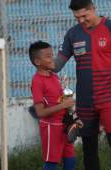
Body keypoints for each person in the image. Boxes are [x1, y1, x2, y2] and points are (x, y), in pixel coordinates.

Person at [53, 0, 111, 169]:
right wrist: (40, 60)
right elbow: (57, 64)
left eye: (84, 16)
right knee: (89, 148)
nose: (81, 20)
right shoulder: (72, 34)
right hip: (85, 102)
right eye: (77, 17)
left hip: (110, 99)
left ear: (93, 9)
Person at [29, 41, 81, 170]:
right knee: (52, 162)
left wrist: (73, 115)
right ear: (37, 61)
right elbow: (40, 112)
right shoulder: (37, 81)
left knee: (70, 159)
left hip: (64, 125)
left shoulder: (55, 77)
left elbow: (61, 100)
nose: (52, 58)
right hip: (51, 127)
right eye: (48, 56)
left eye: (52, 54)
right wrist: (64, 105)